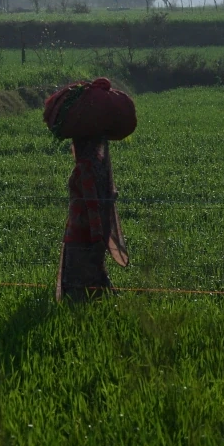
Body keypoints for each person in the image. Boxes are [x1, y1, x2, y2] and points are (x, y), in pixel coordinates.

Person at [42, 77, 137, 301]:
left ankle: (83, 307)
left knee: (80, 278)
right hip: (88, 233)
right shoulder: (97, 164)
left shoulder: (85, 167)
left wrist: (95, 235)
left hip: (81, 234)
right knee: (91, 274)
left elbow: (92, 204)